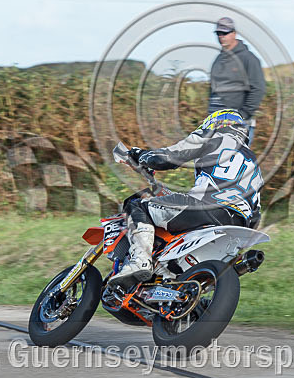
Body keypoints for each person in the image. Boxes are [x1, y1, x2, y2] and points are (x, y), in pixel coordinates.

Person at [108, 109, 264, 292]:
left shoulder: (214, 136)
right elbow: (256, 215)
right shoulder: (254, 163)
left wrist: (139, 155)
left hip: (204, 207)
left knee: (137, 206)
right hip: (238, 224)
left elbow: (169, 157)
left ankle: (140, 261)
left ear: (217, 124)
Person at [209, 17, 266, 145]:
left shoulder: (249, 59)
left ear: (234, 33)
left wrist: (242, 115)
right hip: (216, 125)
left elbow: (258, 88)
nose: (221, 36)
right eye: (219, 33)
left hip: (239, 125)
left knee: (235, 162)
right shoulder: (218, 59)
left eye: (225, 33)